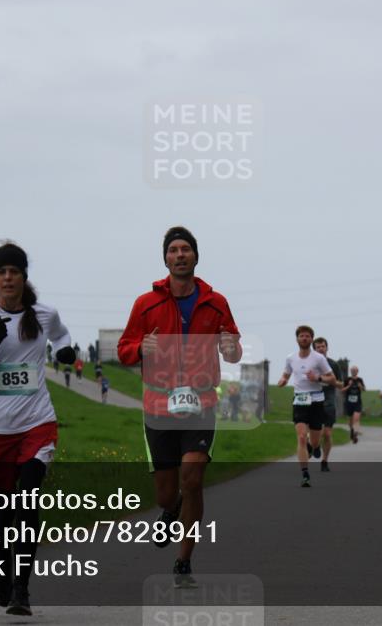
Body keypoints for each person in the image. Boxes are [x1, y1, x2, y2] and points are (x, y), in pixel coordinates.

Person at [0, 241, 75, 616]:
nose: (8, 278)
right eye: (1, 272)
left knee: (28, 498)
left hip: (37, 423)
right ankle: (2, 565)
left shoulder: (43, 313)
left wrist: (66, 351)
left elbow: (62, 335)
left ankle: (22, 588)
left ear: (24, 277)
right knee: (4, 509)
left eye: (14, 271)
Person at [117, 226, 241, 588]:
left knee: (193, 479)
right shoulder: (145, 304)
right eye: (174, 250)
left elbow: (233, 344)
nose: (180, 254)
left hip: (201, 400)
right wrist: (142, 348)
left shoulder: (216, 302)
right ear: (166, 258)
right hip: (159, 402)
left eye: (186, 249)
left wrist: (230, 346)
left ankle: (184, 560)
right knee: (167, 492)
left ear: (195, 257)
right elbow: (124, 349)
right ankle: (169, 511)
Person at [278, 326, 338, 487]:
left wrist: (318, 377)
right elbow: (286, 373)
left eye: (307, 336)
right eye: (301, 336)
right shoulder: (290, 358)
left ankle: (315, 446)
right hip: (300, 400)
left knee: (315, 440)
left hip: (317, 401)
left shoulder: (318, 358)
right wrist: (283, 380)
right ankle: (305, 473)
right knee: (302, 437)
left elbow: (332, 379)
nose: (304, 338)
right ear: (297, 339)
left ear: (311, 339)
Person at [312, 337, 344, 471]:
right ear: (314, 349)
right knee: (314, 433)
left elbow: (341, 384)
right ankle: (315, 446)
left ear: (327, 348)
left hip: (329, 402)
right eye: (318, 347)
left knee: (327, 434)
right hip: (313, 401)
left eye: (323, 346)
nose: (321, 349)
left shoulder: (334, 365)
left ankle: (324, 461)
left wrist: (329, 380)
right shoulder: (309, 364)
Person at [341, 366, 366, 444]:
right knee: (350, 421)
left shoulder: (360, 380)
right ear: (350, 371)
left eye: (355, 370)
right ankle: (352, 430)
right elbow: (342, 390)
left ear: (357, 371)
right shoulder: (347, 380)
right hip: (349, 403)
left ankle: (355, 433)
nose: (353, 371)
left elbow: (364, 389)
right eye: (352, 370)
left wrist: (360, 386)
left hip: (357, 403)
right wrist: (349, 385)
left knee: (356, 419)